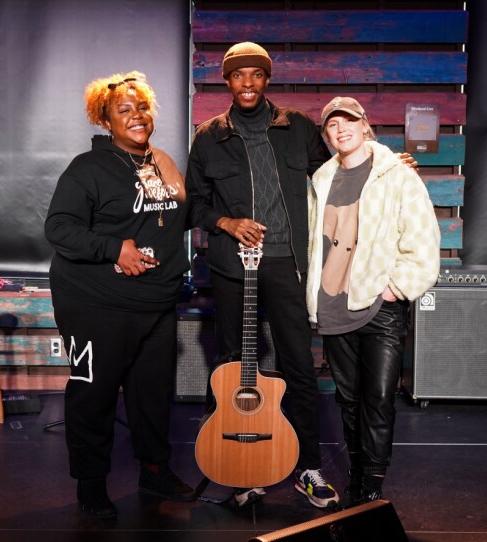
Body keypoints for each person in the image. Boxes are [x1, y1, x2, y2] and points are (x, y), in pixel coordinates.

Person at [186, 42, 340, 509]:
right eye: (238, 76)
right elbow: (193, 203)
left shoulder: (298, 128)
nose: (247, 83)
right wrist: (226, 223)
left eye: (256, 74)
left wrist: (387, 169)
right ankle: (237, 465)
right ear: (226, 81)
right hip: (233, 266)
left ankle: (308, 467)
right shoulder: (209, 136)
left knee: (298, 362)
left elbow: (337, 177)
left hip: (287, 264)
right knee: (233, 364)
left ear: (267, 79)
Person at [45, 71, 195, 520]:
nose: (136, 116)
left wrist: (225, 221)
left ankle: (155, 469)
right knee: (95, 396)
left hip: (156, 302)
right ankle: (91, 485)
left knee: (152, 394)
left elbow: (180, 214)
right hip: (96, 302)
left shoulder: (161, 162)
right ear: (105, 120)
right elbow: (59, 228)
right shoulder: (87, 168)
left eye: (141, 107)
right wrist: (115, 247)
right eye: (123, 110)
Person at [306, 96, 441, 508]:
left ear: (366, 126)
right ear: (326, 136)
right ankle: (357, 473)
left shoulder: (397, 175)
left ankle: (372, 485)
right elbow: (315, 243)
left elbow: (422, 239)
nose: (340, 128)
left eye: (349, 120)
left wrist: (396, 288)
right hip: (334, 304)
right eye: (332, 124)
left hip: (380, 306)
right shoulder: (321, 180)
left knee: (379, 397)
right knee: (348, 399)